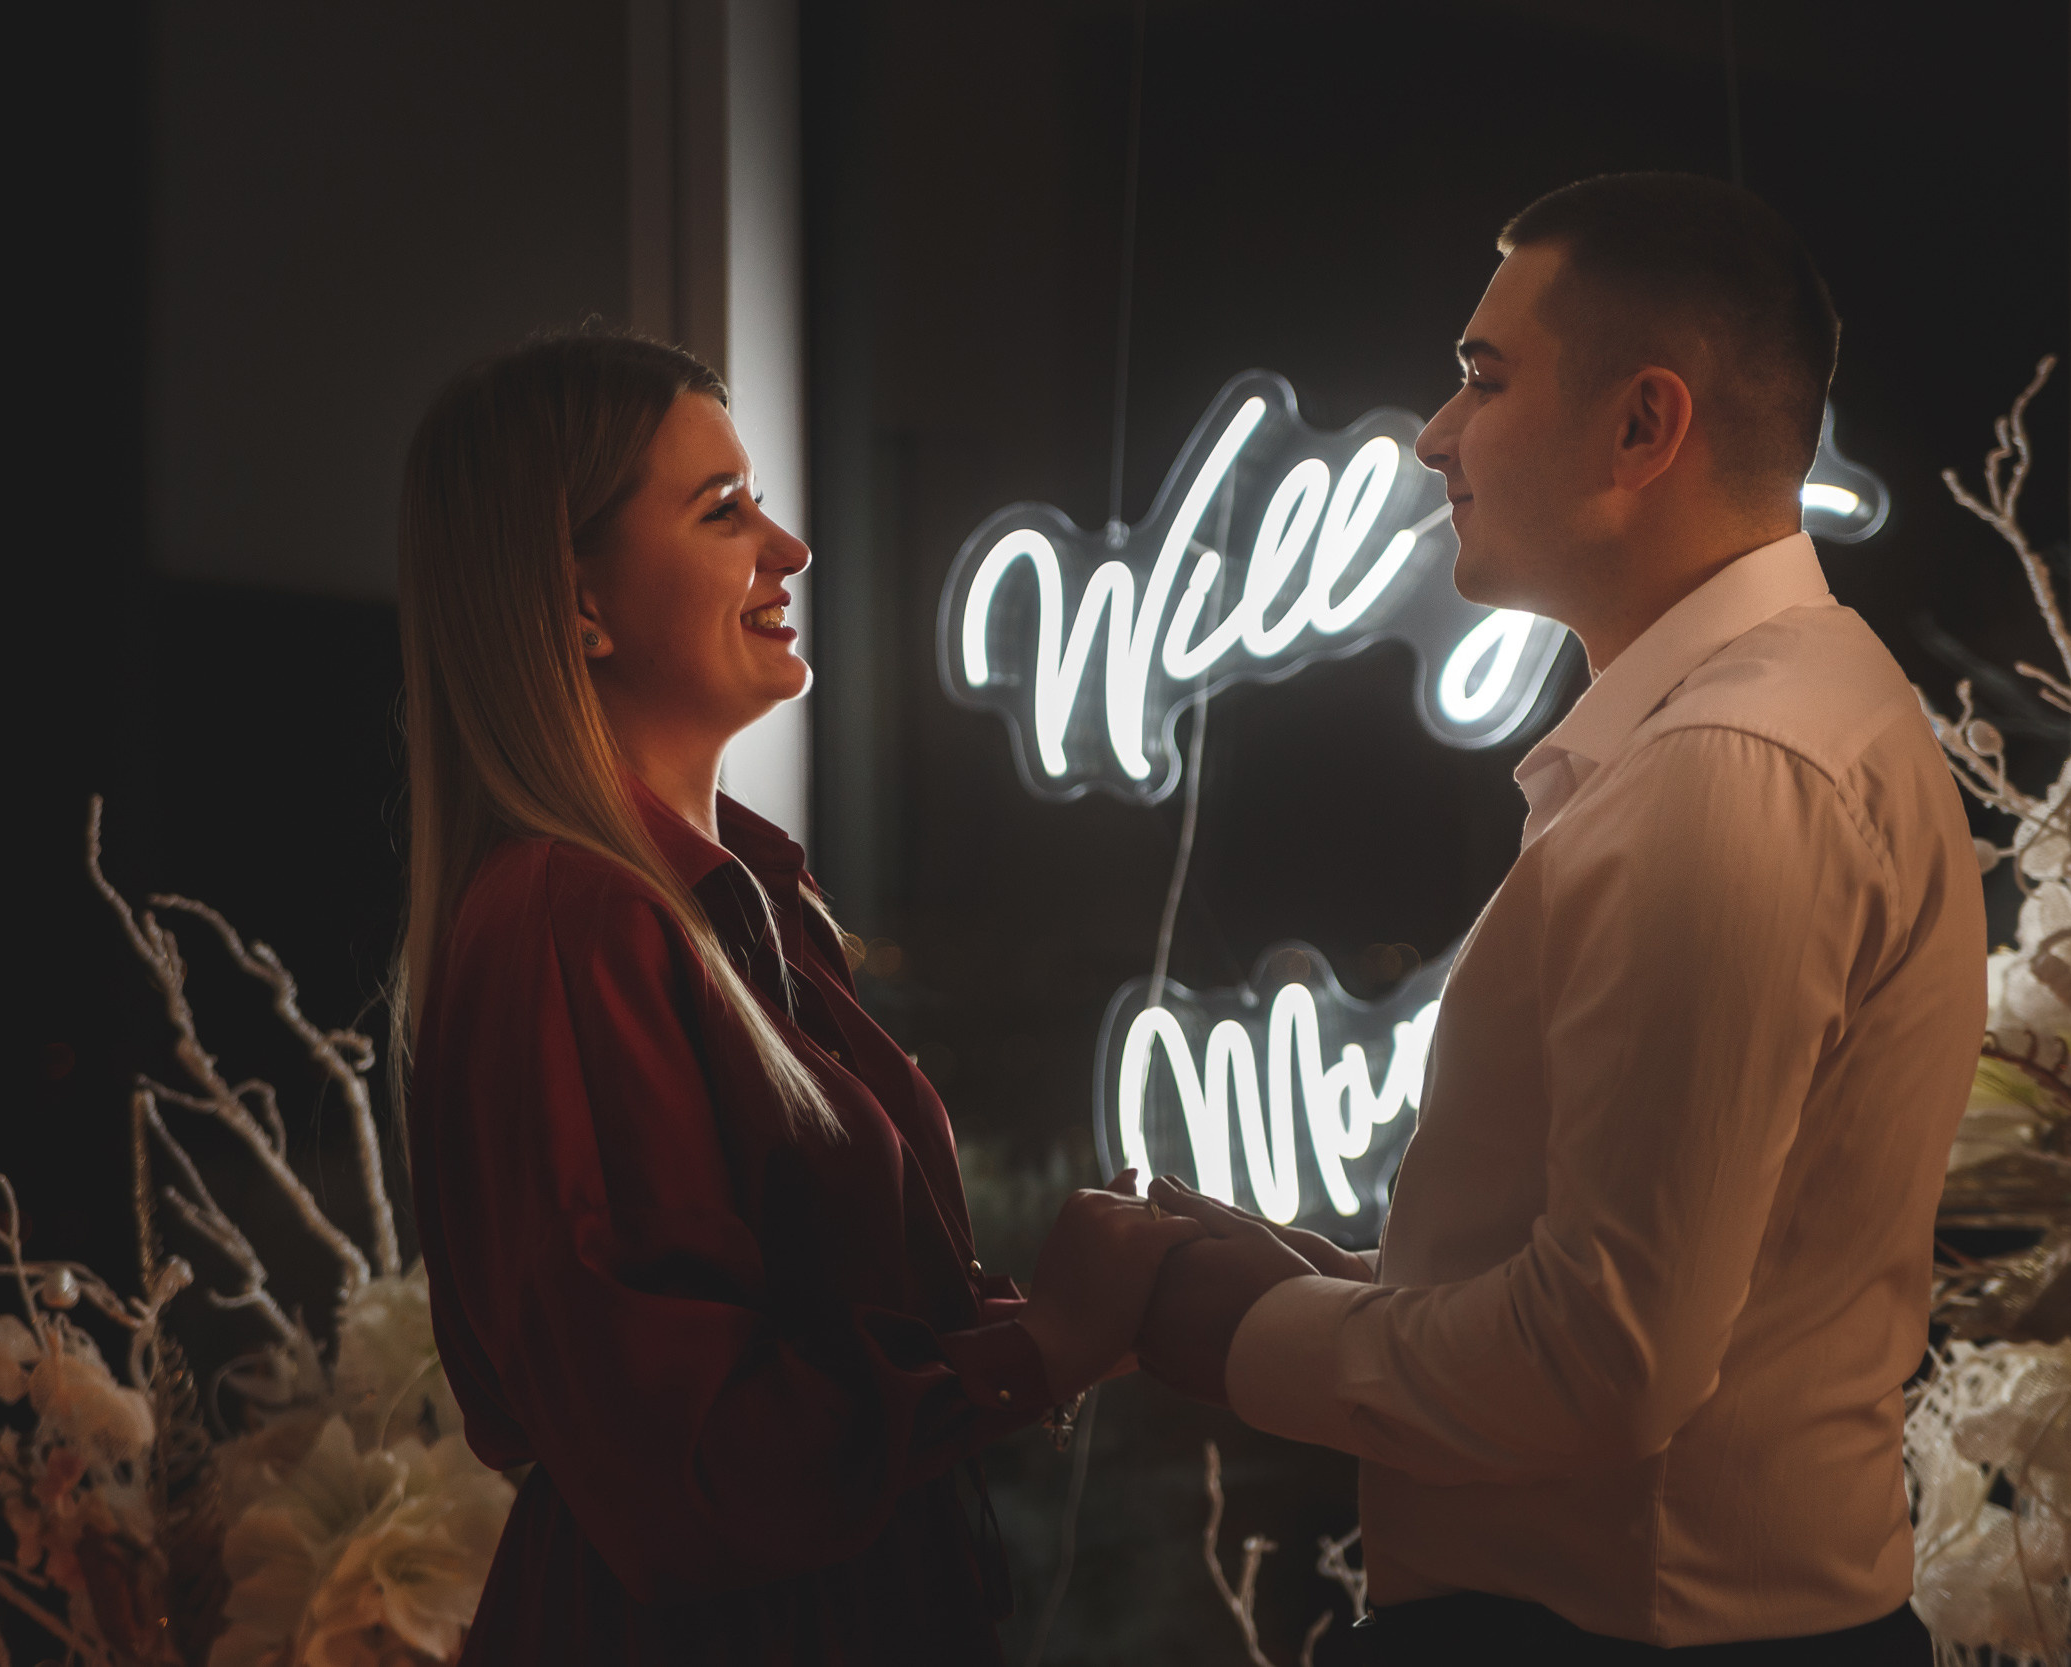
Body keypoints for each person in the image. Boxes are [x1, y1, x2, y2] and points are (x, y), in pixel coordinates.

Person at [1137, 173, 1988, 1663]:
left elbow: (1607, 1359)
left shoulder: (1731, 769)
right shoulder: (1759, 725)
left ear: (1643, 426)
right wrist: (1314, 1286)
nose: (1433, 434)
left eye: (1483, 378)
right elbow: (1676, 1294)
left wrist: (1215, 1328)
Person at [394, 330, 1202, 1665]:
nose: (791, 548)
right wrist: (1039, 1351)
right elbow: (694, 1460)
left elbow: (802, 1345)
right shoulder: (576, 924)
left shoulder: (737, 903)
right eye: (724, 510)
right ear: (578, 604)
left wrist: (1082, 1311)